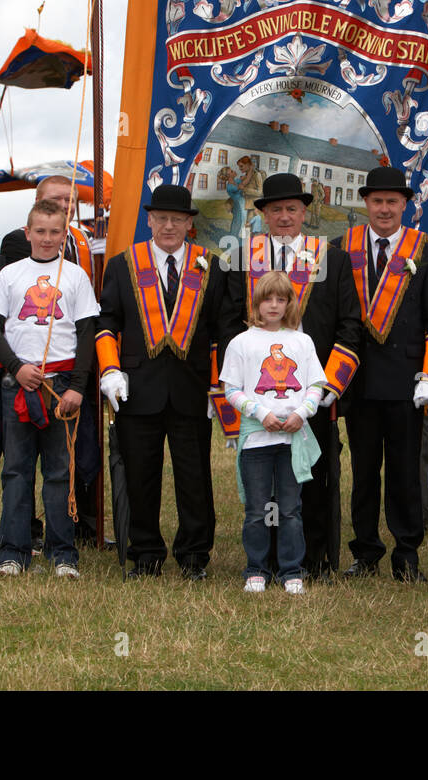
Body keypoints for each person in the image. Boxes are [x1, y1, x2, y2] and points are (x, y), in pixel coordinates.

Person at [217, 172, 362, 579]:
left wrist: (329, 386)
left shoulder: (331, 257)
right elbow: (228, 324)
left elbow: (349, 325)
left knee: (314, 479)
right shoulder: (241, 258)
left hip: (312, 397)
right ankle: (266, 562)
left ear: (304, 213)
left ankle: (313, 561)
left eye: (292, 209)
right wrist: (245, 390)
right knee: (264, 484)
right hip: (259, 401)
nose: (284, 217)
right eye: (276, 209)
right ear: (263, 214)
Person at [97, 184, 226, 579]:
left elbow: (224, 330)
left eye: (177, 219)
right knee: (140, 475)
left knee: (194, 477)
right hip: (136, 389)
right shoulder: (122, 265)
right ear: (149, 221)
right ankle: (145, 553)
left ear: (190, 224)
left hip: (192, 389)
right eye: (161, 218)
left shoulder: (212, 266)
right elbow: (107, 322)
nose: (169, 226)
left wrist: (218, 384)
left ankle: (193, 556)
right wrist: (109, 369)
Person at [333, 166, 428, 583]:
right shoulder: (340, 247)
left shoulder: (426, 251)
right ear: (365, 203)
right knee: (364, 472)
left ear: (406, 205)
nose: (384, 209)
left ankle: (407, 556)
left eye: (393, 202)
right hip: (360, 381)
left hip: (407, 383)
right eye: (377, 201)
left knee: (406, 473)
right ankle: (365, 553)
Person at [0, 198, 98, 576]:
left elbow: (86, 334)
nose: (47, 239)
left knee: (59, 471)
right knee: (16, 470)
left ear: (64, 235)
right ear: (27, 232)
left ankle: (62, 553)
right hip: (17, 383)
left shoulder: (76, 276)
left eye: (54, 232)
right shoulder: (11, 274)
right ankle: (12, 552)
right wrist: (17, 367)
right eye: (40, 231)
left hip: (61, 385)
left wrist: (77, 387)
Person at [221, 271, 327, 593]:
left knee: (290, 508)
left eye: (281, 299)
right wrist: (261, 412)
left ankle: (291, 570)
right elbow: (231, 389)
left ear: (289, 304)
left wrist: (301, 413)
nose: (274, 305)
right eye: (268, 299)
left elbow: (315, 386)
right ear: (256, 302)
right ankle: (256, 568)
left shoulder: (302, 341)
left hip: (292, 437)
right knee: (257, 508)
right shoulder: (242, 342)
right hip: (257, 438)